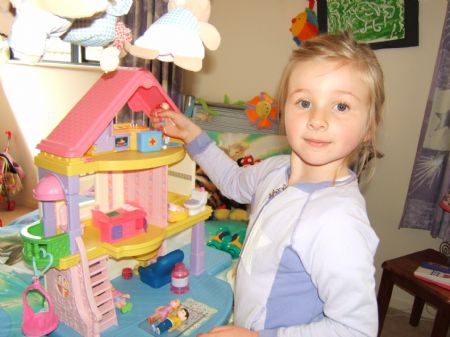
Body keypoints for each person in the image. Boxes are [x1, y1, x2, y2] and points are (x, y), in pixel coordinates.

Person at [151, 31, 384, 337]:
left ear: (369, 127)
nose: (317, 118)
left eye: (340, 106)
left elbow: (356, 330)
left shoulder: (338, 222)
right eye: (304, 101)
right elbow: (233, 182)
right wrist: (192, 134)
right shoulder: (275, 169)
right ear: (283, 109)